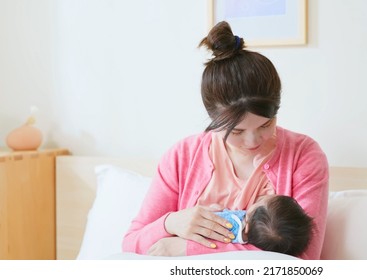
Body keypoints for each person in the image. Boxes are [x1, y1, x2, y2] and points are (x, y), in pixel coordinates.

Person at [122, 21, 329, 260]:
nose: (252, 141)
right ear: (212, 118)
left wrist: (188, 249)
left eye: (265, 125)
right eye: (237, 131)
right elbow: (131, 244)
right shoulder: (182, 157)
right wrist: (171, 223)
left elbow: (303, 257)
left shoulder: (303, 155)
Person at [214, 195, 314, 257]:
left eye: (258, 202)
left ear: (247, 228)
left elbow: (212, 215)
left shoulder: (231, 223)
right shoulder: (264, 244)